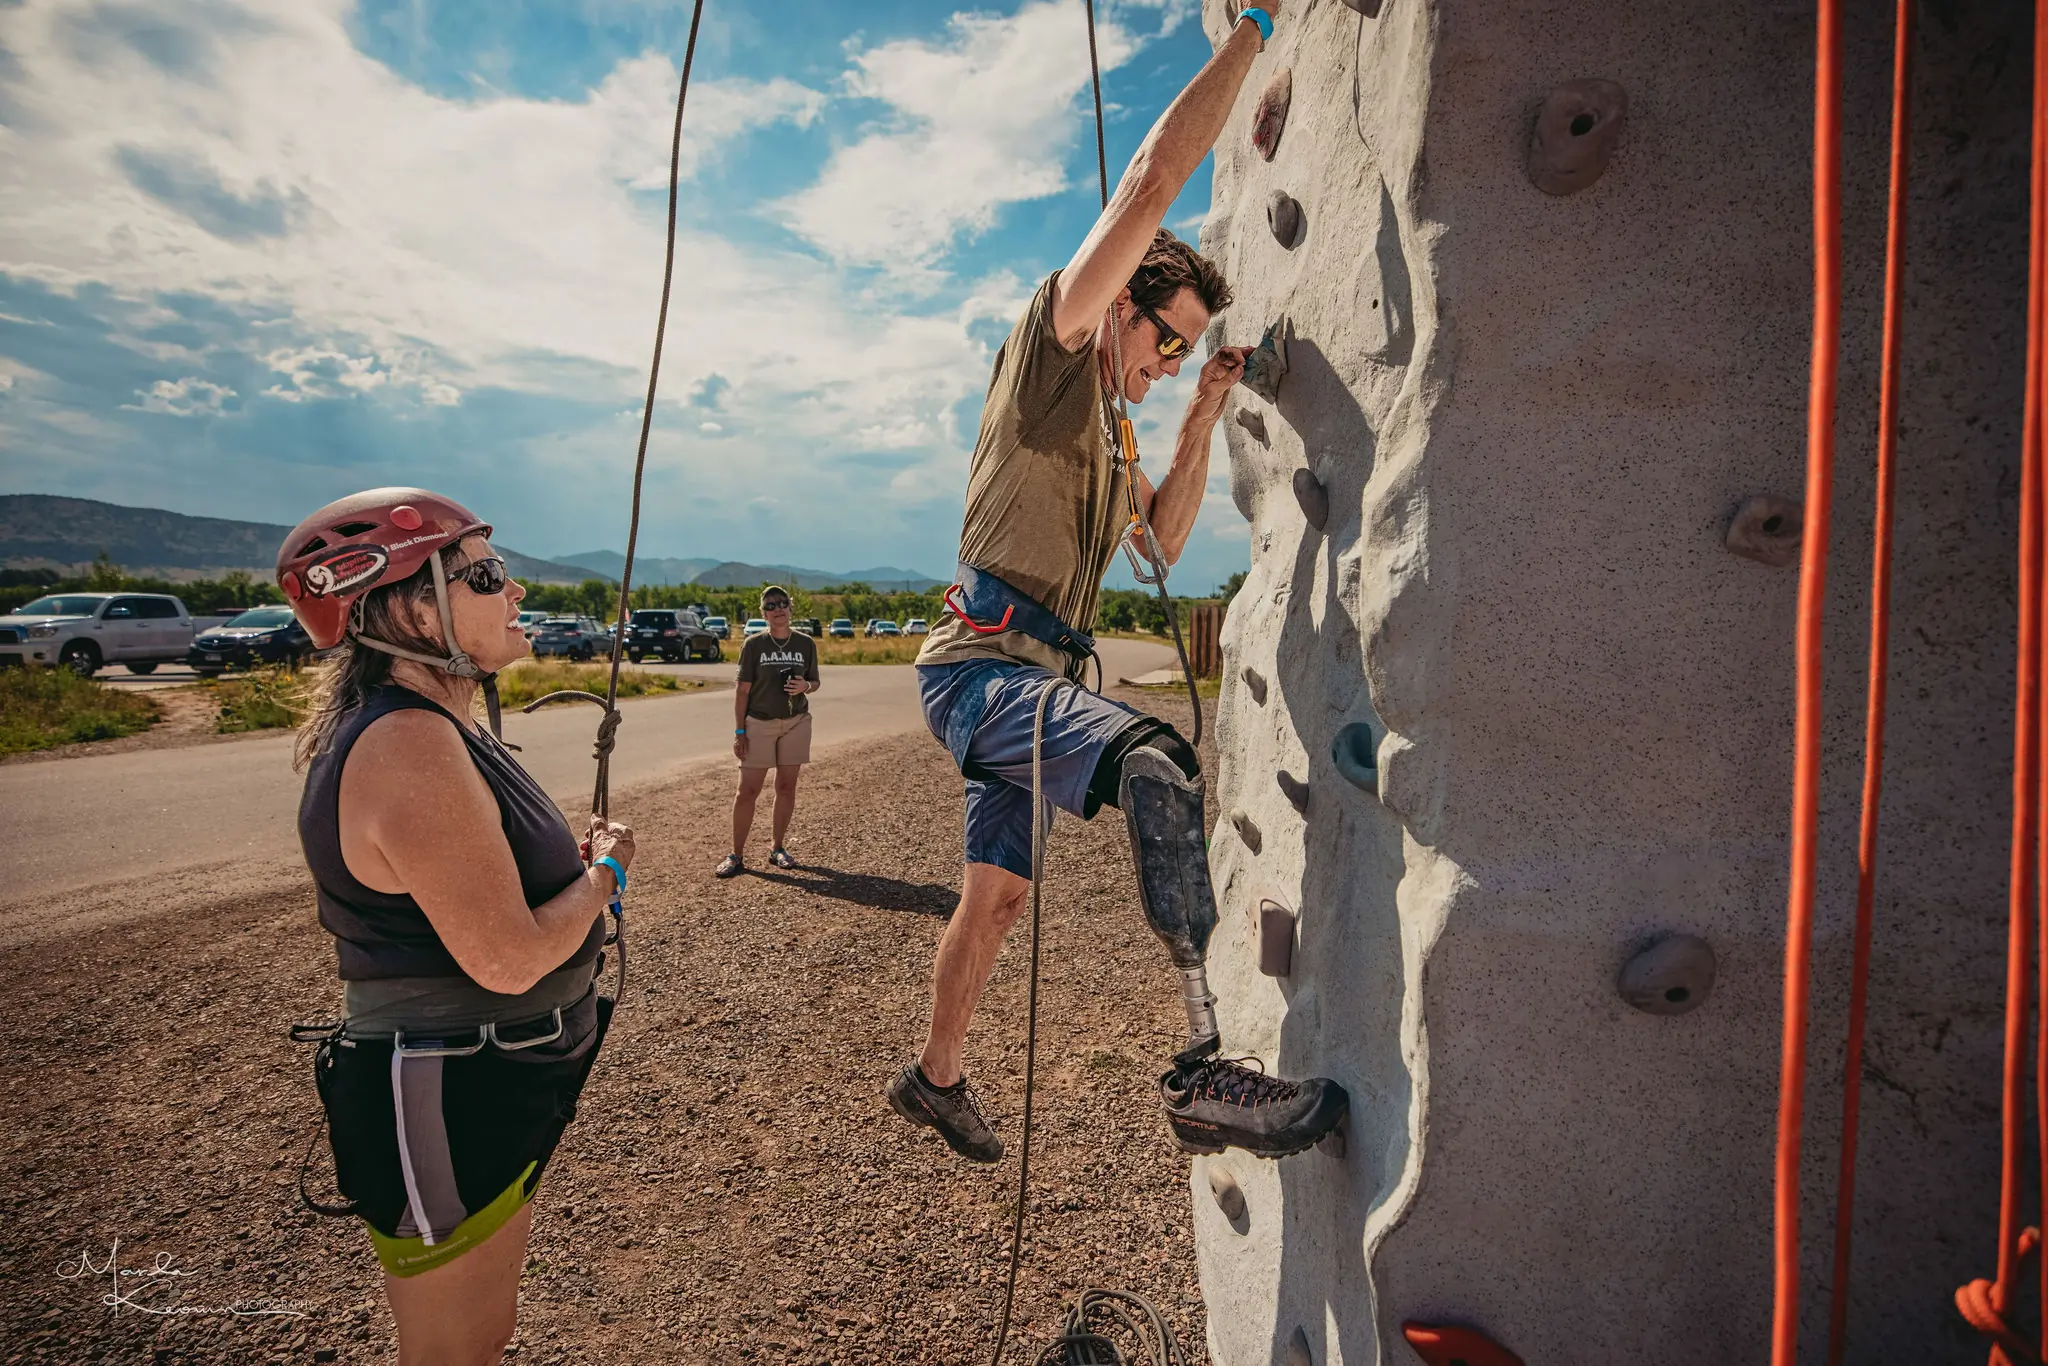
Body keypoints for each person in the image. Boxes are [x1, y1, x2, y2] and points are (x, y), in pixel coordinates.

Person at [892, 1, 1347, 1164]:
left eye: (1187, 353)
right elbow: (1147, 184)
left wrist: (1197, 416)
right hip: (982, 667)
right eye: (1168, 341)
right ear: (1121, 307)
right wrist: (1249, 32)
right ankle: (1204, 1070)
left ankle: (934, 1078)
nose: (1170, 360)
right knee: (1152, 757)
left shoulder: (1114, 424)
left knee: (995, 896)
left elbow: (1158, 542)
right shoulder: (1054, 357)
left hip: (1018, 671)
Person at [279, 488, 633, 1365]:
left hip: (487, 1073)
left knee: (485, 1338)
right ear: (404, 605)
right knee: (454, 1352)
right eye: (484, 574)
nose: (514, 591)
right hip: (450, 1081)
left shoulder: (436, 726)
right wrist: (606, 875)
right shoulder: (407, 742)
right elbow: (509, 958)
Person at [717, 585, 820, 878]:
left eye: (783, 603)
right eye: (771, 605)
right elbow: (741, 691)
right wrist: (739, 731)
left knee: (786, 786)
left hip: (796, 722)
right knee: (747, 790)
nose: (778, 609)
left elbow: (814, 681)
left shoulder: (805, 643)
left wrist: (805, 687)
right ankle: (736, 855)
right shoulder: (754, 645)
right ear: (764, 614)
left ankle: (777, 848)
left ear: (791, 608)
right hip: (758, 723)